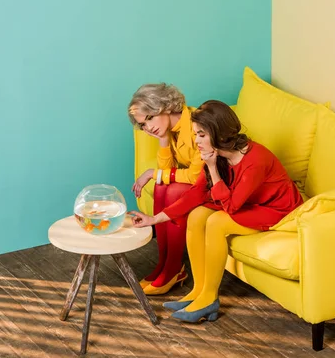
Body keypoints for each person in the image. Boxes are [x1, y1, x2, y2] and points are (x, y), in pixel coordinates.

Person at [128, 100, 303, 322]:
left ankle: (209, 298)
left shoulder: (254, 160)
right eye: (195, 134)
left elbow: (230, 207)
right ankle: (198, 292)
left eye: (201, 135)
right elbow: (195, 194)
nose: (197, 141)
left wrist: (211, 167)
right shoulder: (217, 154)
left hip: (277, 209)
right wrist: (154, 219)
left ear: (218, 134)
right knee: (197, 213)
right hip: (247, 202)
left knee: (217, 222)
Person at [128, 83, 203, 295]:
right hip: (197, 182)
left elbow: (197, 176)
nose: (148, 127)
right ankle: (165, 264)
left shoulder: (198, 124)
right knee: (162, 187)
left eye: (150, 118)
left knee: (171, 189)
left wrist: (153, 173)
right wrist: (163, 140)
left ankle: (172, 268)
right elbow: (167, 171)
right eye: (143, 124)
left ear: (165, 106)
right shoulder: (172, 130)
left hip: (215, 184)